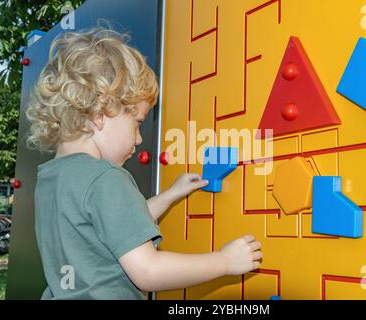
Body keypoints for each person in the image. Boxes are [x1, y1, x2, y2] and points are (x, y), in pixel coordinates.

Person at [25, 27, 262, 300]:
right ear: (100, 112)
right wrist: (224, 261)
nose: (138, 139)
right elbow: (148, 271)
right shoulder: (106, 177)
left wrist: (171, 194)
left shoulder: (52, 177)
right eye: (137, 122)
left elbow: (116, 224)